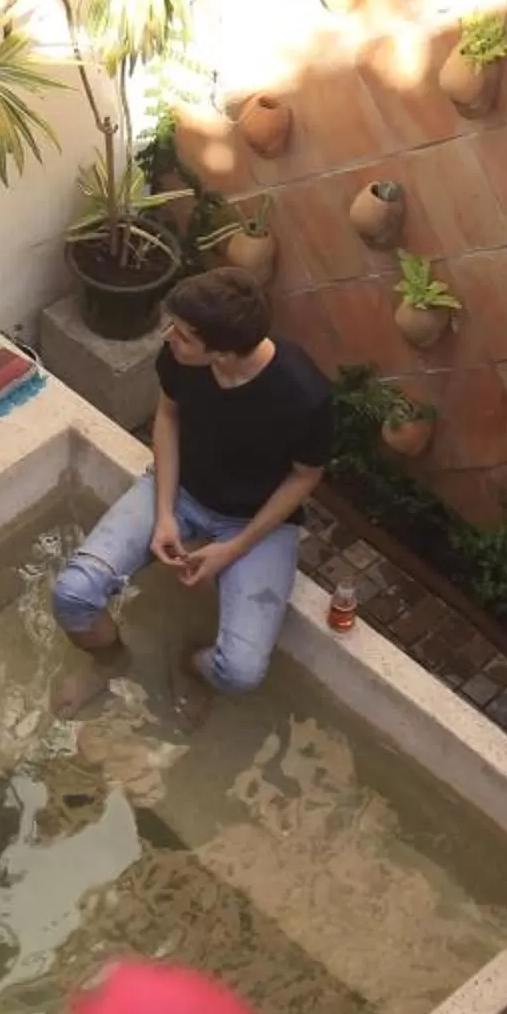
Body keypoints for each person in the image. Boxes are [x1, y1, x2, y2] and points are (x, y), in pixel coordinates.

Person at [51, 270, 332, 713]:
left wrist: (233, 548)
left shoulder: (303, 397)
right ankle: (109, 661)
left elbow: (305, 477)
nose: (167, 337)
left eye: (182, 335)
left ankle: (193, 665)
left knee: (240, 674)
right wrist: (164, 513)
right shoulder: (181, 358)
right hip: (180, 492)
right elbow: (168, 417)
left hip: (251, 520)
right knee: (72, 594)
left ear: (222, 351)